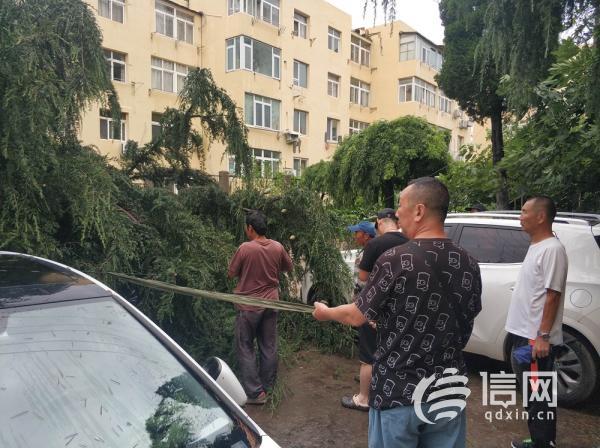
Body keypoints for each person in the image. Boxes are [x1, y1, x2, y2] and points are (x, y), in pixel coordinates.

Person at [313, 177, 482, 448]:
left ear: (419, 210)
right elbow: (465, 322)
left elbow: (357, 315)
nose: (397, 213)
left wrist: (326, 312)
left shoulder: (397, 259)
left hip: (399, 391)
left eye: (401, 206)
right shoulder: (469, 263)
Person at [505, 197, 568, 448]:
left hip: (535, 338)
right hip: (525, 334)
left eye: (524, 211)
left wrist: (543, 335)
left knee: (538, 393)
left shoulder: (552, 249)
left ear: (540, 217)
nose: (520, 216)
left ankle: (542, 443)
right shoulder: (538, 246)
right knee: (533, 392)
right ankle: (542, 439)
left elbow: (553, 295)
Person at [342, 209, 408, 412]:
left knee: (368, 355)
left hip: (373, 307)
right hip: (403, 306)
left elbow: (363, 278)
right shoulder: (411, 240)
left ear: (378, 223)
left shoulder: (375, 244)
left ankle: (363, 398)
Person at [228, 211, 293, 405]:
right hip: (271, 303)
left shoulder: (245, 248)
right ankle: (268, 386)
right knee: (269, 345)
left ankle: (256, 394)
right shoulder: (278, 247)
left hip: (248, 306)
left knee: (245, 346)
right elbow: (287, 267)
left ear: (250, 228)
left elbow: (231, 273)